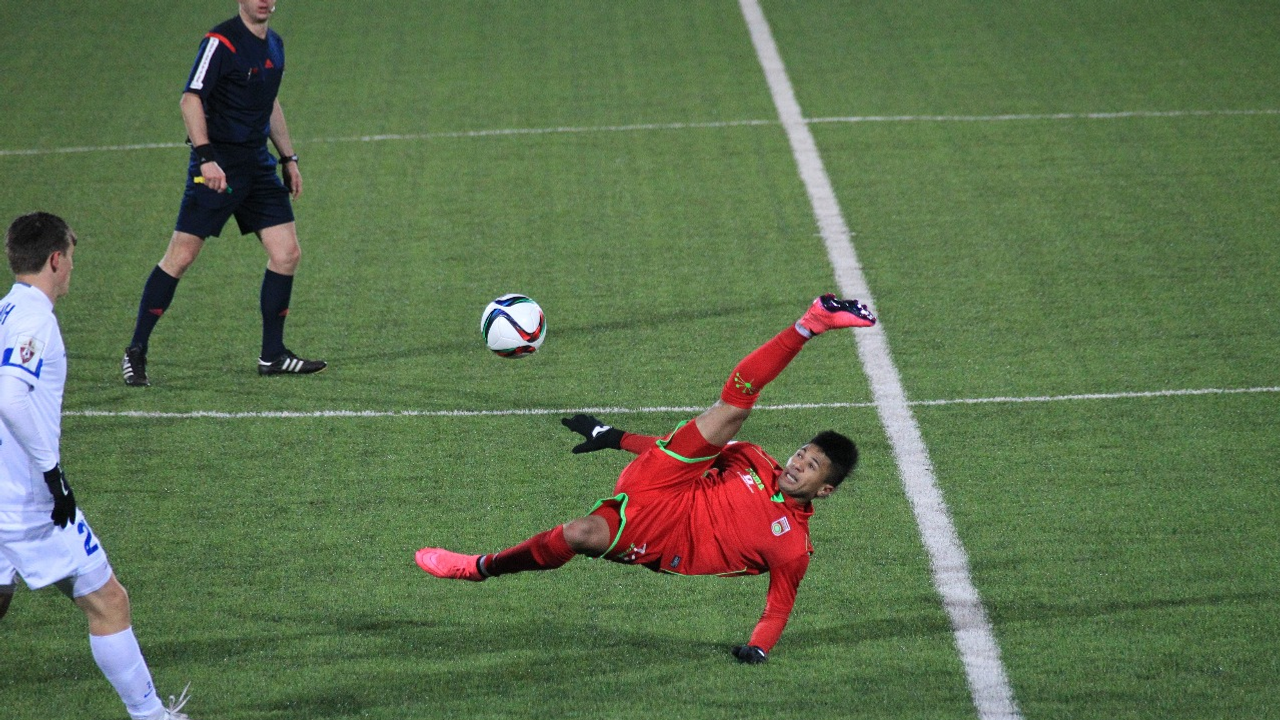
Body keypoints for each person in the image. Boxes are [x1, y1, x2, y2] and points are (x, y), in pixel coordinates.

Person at [416, 294, 877, 663]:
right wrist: (615, 437)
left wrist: (758, 647)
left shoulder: (792, 547)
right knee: (733, 410)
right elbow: (677, 450)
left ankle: (481, 567)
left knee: (579, 534)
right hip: (666, 481)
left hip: (661, 535)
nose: (796, 464)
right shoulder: (753, 459)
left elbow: (779, 606)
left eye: (810, 466)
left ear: (825, 490)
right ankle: (811, 322)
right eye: (800, 454)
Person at [0, 213, 193, 719]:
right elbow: (10, 395)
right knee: (108, 601)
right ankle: (151, 716)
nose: (71, 269)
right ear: (55, 260)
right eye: (70, 258)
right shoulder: (35, 320)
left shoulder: (3, 311)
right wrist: (52, 473)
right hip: (26, 500)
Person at [121, 0, 325, 386]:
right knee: (181, 255)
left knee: (287, 254)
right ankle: (136, 350)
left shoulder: (275, 44)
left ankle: (273, 355)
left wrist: (288, 158)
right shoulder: (221, 42)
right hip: (219, 166)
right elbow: (190, 99)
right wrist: (206, 158)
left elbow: (269, 103)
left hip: (257, 165)